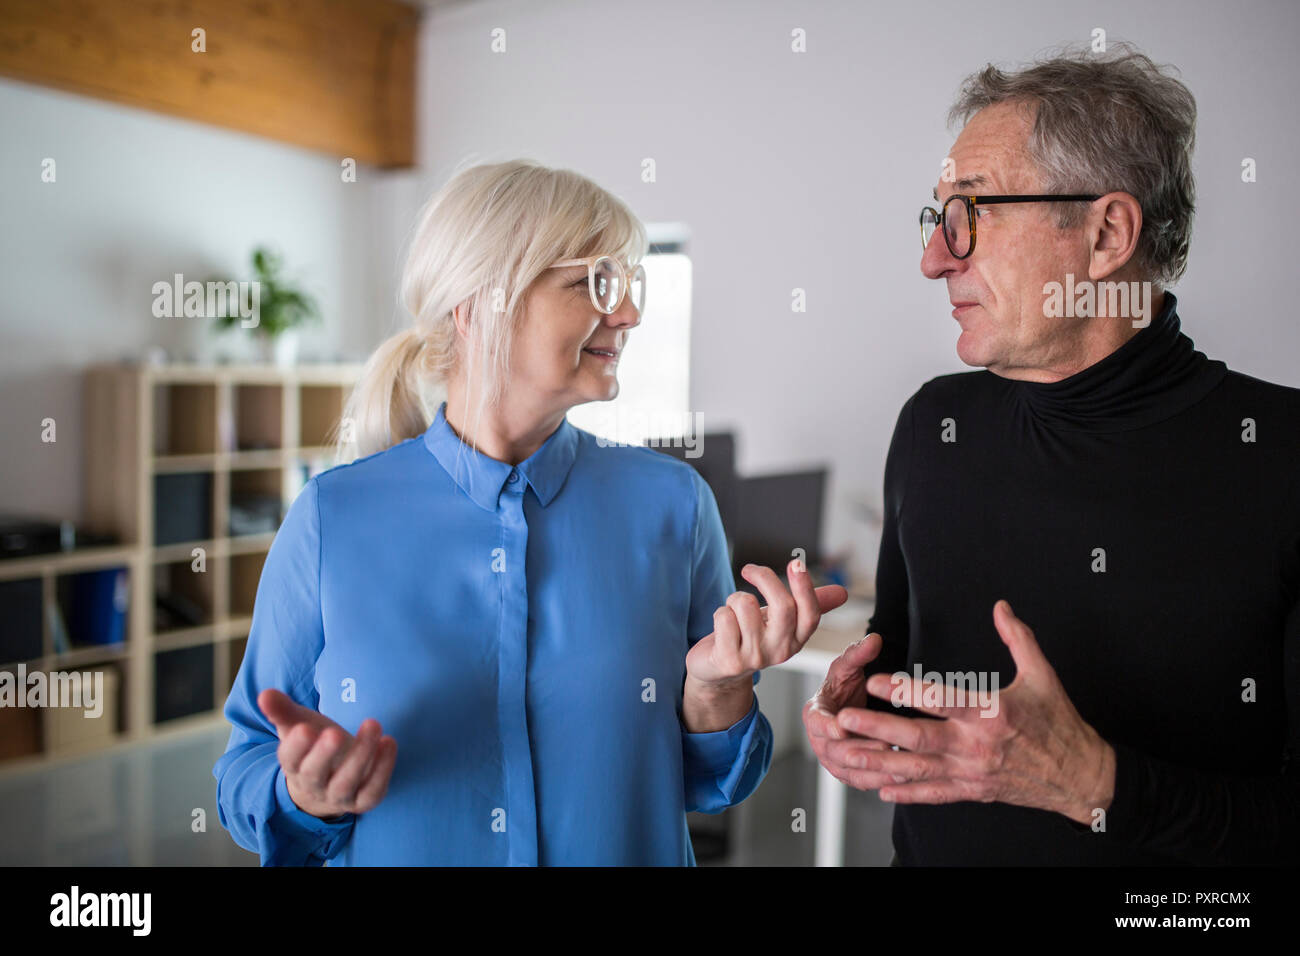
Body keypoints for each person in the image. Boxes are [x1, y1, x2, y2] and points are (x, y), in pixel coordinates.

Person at [214, 159, 845, 865]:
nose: (630, 312)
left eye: (631, 284)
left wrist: (718, 691)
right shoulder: (332, 518)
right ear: (480, 300)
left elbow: (709, 783)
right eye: (594, 282)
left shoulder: (673, 506)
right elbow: (244, 772)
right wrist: (304, 793)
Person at [803, 43, 1300, 865]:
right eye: (937, 216)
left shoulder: (1282, 459)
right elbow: (905, 675)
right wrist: (862, 717)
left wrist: (1095, 783)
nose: (935, 258)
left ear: (1106, 234)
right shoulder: (935, 425)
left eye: (973, 212)